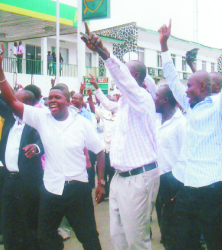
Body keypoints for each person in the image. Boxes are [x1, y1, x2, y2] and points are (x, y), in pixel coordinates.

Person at [0, 42, 106, 250]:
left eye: (57, 98)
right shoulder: (41, 118)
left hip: (77, 189)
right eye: (49, 98)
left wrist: (101, 182)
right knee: (45, 236)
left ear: (68, 101)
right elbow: (12, 102)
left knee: (88, 237)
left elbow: (99, 150)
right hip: (51, 189)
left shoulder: (81, 123)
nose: (52, 101)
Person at [158, 16, 222, 249]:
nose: (185, 89)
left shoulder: (220, 108)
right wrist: (164, 46)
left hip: (212, 188)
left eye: (190, 86)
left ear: (203, 87)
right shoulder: (189, 107)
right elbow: (173, 81)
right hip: (187, 186)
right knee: (183, 242)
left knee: (220, 244)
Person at [82, 23, 159, 249]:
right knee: (118, 239)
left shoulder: (142, 99)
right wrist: (96, 89)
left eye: (124, 70)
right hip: (119, 178)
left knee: (137, 242)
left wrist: (104, 53)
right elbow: (107, 104)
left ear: (133, 75)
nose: (120, 76)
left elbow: (122, 79)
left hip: (138, 178)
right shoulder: (125, 103)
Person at [0, 72, 45, 250]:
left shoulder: (38, 121)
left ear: (27, 104)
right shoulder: (11, 119)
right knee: (9, 224)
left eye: (14, 100)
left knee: (29, 225)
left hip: (28, 182)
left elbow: (43, 139)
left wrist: (36, 148)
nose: (10, 103)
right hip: (9, 180)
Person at [154, 84, 186, 250]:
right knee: (165, 228)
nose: (154, 99)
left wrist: (180, 188)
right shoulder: (157, 121)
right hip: (158, 179)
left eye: (156, 96)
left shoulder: (181, 124)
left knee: (177, 229)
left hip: (174, 182)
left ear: (166, 100)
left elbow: (186, 157)